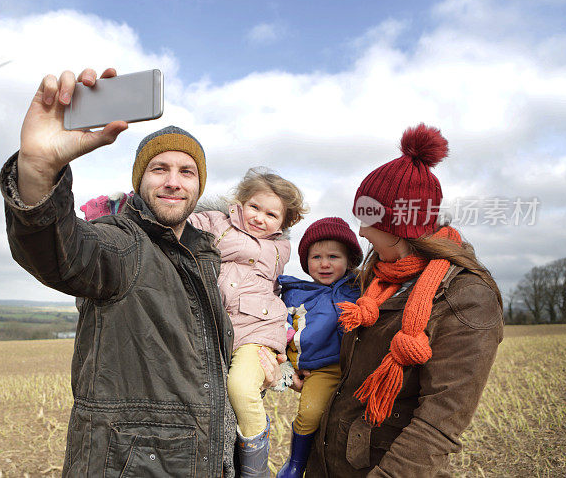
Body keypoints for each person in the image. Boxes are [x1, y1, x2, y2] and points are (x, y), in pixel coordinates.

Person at [0, 68, 240, 476]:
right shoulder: (123, 244)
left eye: (187, 172)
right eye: (159, 169)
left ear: (199, 186)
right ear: (139, 179)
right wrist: (38, 171)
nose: (174, 182)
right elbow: (60, 253)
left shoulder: (207, 258)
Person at [305, 123, 504, 477]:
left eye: (368, 220)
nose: (362, 232)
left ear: (399, 225)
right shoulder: (377, 278)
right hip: (328, 464)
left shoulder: (466, 298)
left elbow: (437, 426)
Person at [187, 168, 306, 476]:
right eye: (254, 207)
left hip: (258, 329)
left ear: (283, 223)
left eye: (271, 215)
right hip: (216, 326)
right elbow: (176, 220)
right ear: (239, 202)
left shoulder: (279, 248)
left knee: (241, 388)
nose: (259, 218)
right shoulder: (215, 222)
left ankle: (255, 470)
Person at [274, 217, 363, 478]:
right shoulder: (295, 294)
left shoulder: (359, 288)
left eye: (334, 256)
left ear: (350, 261)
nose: (324, 264)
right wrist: (287, 369)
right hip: (322, 371)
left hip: (359, 368)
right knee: (310, 414)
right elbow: (280, 331)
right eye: (316, 257)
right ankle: (296, 464)